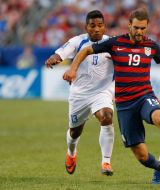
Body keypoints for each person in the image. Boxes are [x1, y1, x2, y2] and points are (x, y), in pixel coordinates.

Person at [63, 7, 160, 184]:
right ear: (129, 26)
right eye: (136, 28)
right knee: (141, 156)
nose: (139, 31)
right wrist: (73, 69)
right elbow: (85, 51)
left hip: (144, 96)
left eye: (142, 28)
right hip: (125, 105)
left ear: (147, 27)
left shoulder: (150, 46)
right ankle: (158, 168)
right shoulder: (115, 43)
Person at [45, 10, 115, 176]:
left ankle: (106, 162)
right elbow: (60, 53)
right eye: (92, 26)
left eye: (100, 25)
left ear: (104, 26)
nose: (96, 29)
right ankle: (71, 153)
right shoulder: (77, 41)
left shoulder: (113, 44)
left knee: (106, 116)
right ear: (86, 27)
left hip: (102, 91)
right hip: (79, 95)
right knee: (75, 132)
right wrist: (54, 58)